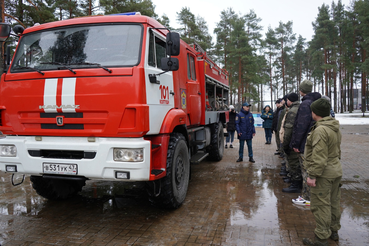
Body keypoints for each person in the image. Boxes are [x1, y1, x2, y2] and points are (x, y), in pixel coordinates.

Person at [302, 98, 342, 246]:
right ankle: (333, 231)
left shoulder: (320, 130)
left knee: (321, 205)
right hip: (335, 170)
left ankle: (321, 239)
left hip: (324, 173)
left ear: (316, 113)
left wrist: (312, 175)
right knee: (333, 202)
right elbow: (337, 150)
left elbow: (319, 157)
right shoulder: (334, 126)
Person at [290, 79, 321, 204]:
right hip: (313, 141)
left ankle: (307, 198)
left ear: (302, 90)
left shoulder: (305, 104)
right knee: (310, 170)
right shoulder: (316, 102)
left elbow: (301, 126)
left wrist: (296, 144)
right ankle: (312, 196)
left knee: (306, 171)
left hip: (304, 144)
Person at [281, 93, 301, 193]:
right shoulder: (301, 108)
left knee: (294, 163)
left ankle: (295, 185)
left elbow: (288, 130)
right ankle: (296, 182)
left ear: (290, 100)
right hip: (298, 141)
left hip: (293, 142)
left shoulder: (292, 111)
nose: (286, 102)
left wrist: (285, 145)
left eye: (287, 100)